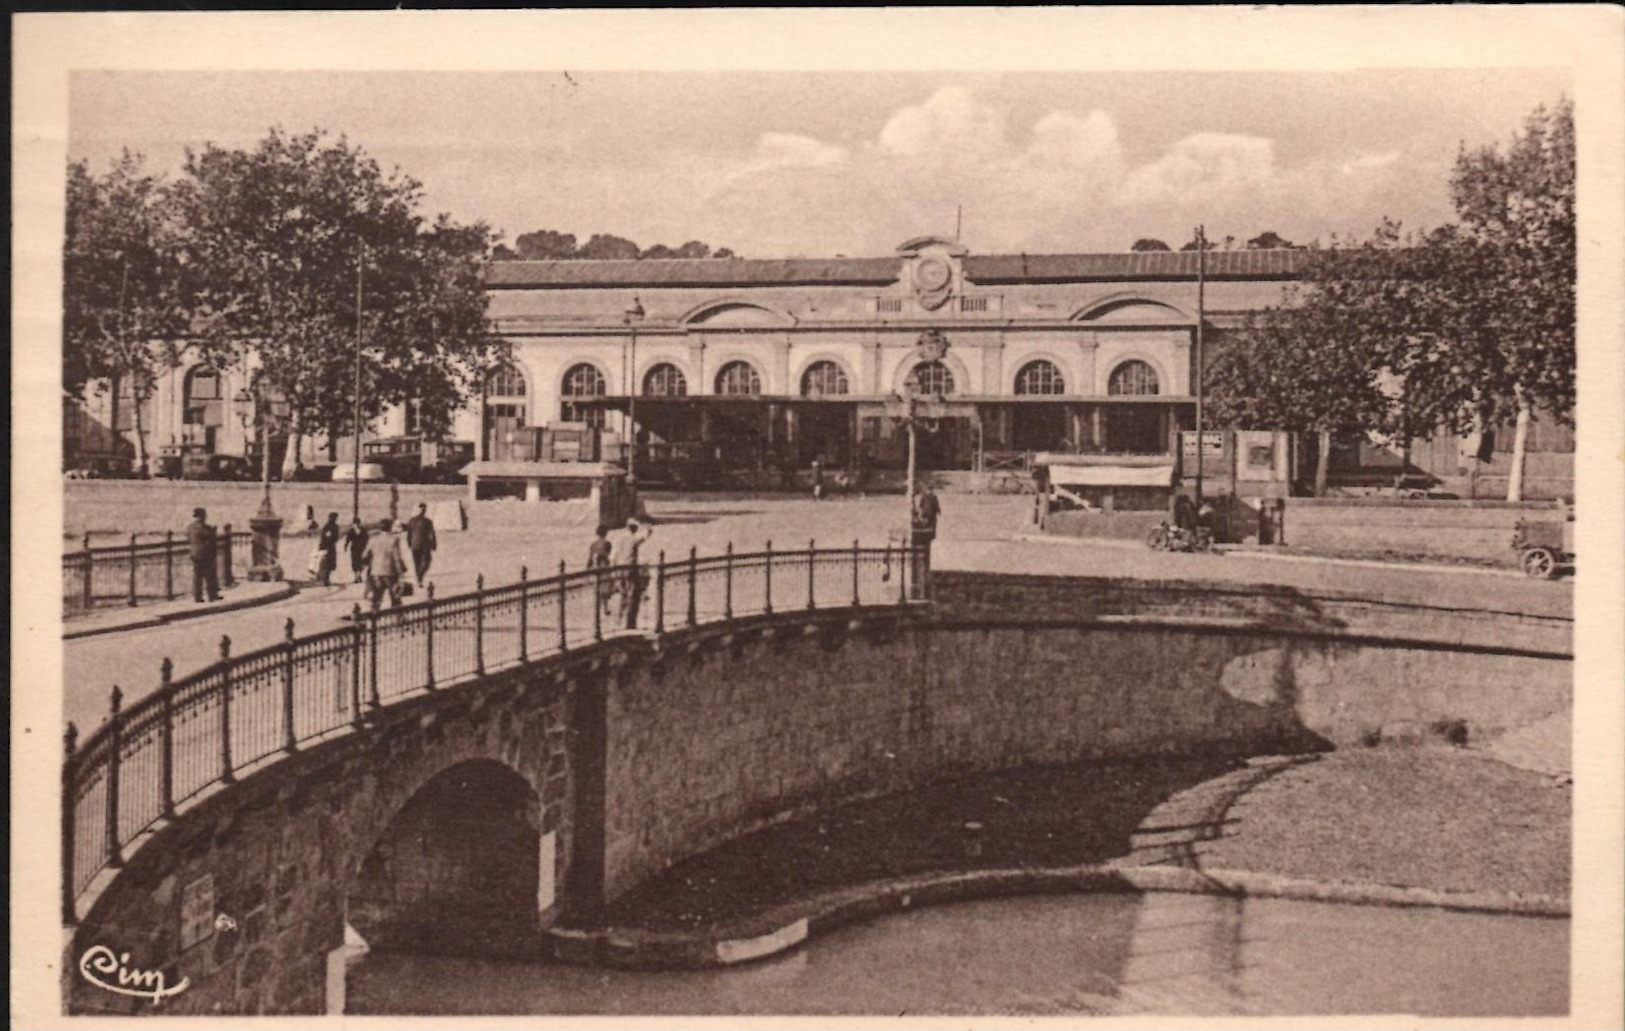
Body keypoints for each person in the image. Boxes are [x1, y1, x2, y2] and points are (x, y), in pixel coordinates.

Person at [612, 519, 654, 629]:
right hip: (630, 569)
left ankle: (618, 620)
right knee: (632, 595)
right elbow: (648, 533)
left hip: (619, 569)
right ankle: (630, 622)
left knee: (621, 595)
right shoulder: (633, 539)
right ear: (634, 528)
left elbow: (613, 556)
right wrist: (643, 525)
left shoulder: (619, 538)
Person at [362, 518, 410, 609]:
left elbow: (364, 556)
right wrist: (401, 573)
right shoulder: (393, 539)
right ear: (390, 527)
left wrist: (372, 564)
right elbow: (396, 558)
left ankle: (373, 620)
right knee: (395, 598)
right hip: (390, 573)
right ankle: (399, 621)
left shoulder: (373, 539)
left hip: (375, 573)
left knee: (376, 600)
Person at [910, 485, 941, 598]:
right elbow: (936, 507)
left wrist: (921, 512)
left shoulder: (926, 496)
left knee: (929, 525)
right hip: (930, 515)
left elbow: (922, 506)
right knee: (931, 526)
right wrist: (937, 511)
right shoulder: (933, 497)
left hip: (927, 515)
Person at [185, 507, 221, 603]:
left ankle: (197, 596)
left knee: (197, 576)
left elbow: (188, 538)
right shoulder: (205, 528)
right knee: (210, 575)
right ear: (202, 516)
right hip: (205, 554)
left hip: (194, 554)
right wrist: (213, 531)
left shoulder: (190, 527)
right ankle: (212, 595)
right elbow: (210, 537)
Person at [405, 502, 437, 582]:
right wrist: (434, 544)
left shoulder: (411, 521)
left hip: (414, 545)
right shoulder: (428, 521)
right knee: (427, 561)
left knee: (417, 562)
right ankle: (420, 575)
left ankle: (419, 576)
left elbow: (408, 534)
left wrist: (409, 543)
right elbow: (432, 534)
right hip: (424, 545)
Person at [587, 524, 614, 614]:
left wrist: (588, 569)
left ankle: (597, 609)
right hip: (604, 568)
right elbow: (608, 555)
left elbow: (590, 559)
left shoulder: (593, 545)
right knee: (605, 589)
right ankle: (605, 608)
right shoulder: (607, 544)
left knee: (597, 589)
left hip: (595, 568)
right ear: (605, 533)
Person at [316, 512, 341, 586]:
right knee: (328, 564)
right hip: (329, 547)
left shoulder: (326, 526)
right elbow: (330, 538)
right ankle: (326, 579)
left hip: (326, 547)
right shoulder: (332, 526)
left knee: (327, 563)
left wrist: (321, 546)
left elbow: (323, 537)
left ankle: (326, 579)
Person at [343, 516, 370, 585]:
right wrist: (345, 546)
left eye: (357, 523)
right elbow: (348, 539)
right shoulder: (351, 530)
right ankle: (356, 576)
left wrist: (367, 546)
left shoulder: (363, 530)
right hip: (354, 548)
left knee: (362, 562)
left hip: (362, 548)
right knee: (354, 562)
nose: (356, 524)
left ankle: (359, 575)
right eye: (355, 523)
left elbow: (367, 538)